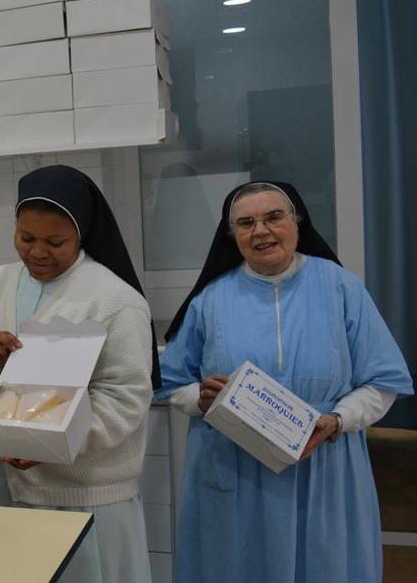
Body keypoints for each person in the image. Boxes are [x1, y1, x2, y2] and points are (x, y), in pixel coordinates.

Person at [157, 181, 412, 583]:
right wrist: (201, 399)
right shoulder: (210, 299)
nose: (261, 231)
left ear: (297, 222)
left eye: (274, 217)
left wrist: (337, 420)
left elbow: (382, 381)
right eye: (246, 223)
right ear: (232, 235)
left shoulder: (342, 287)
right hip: (234, 467)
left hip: (323, 466)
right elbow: (170, 382)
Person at [0, 165, 155, 583]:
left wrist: (52, 440)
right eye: (26, 238)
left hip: (79, 497)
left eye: (55, 242)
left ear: (82, 235)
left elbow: (126, 398)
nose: (38, 252)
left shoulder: (114, 300)